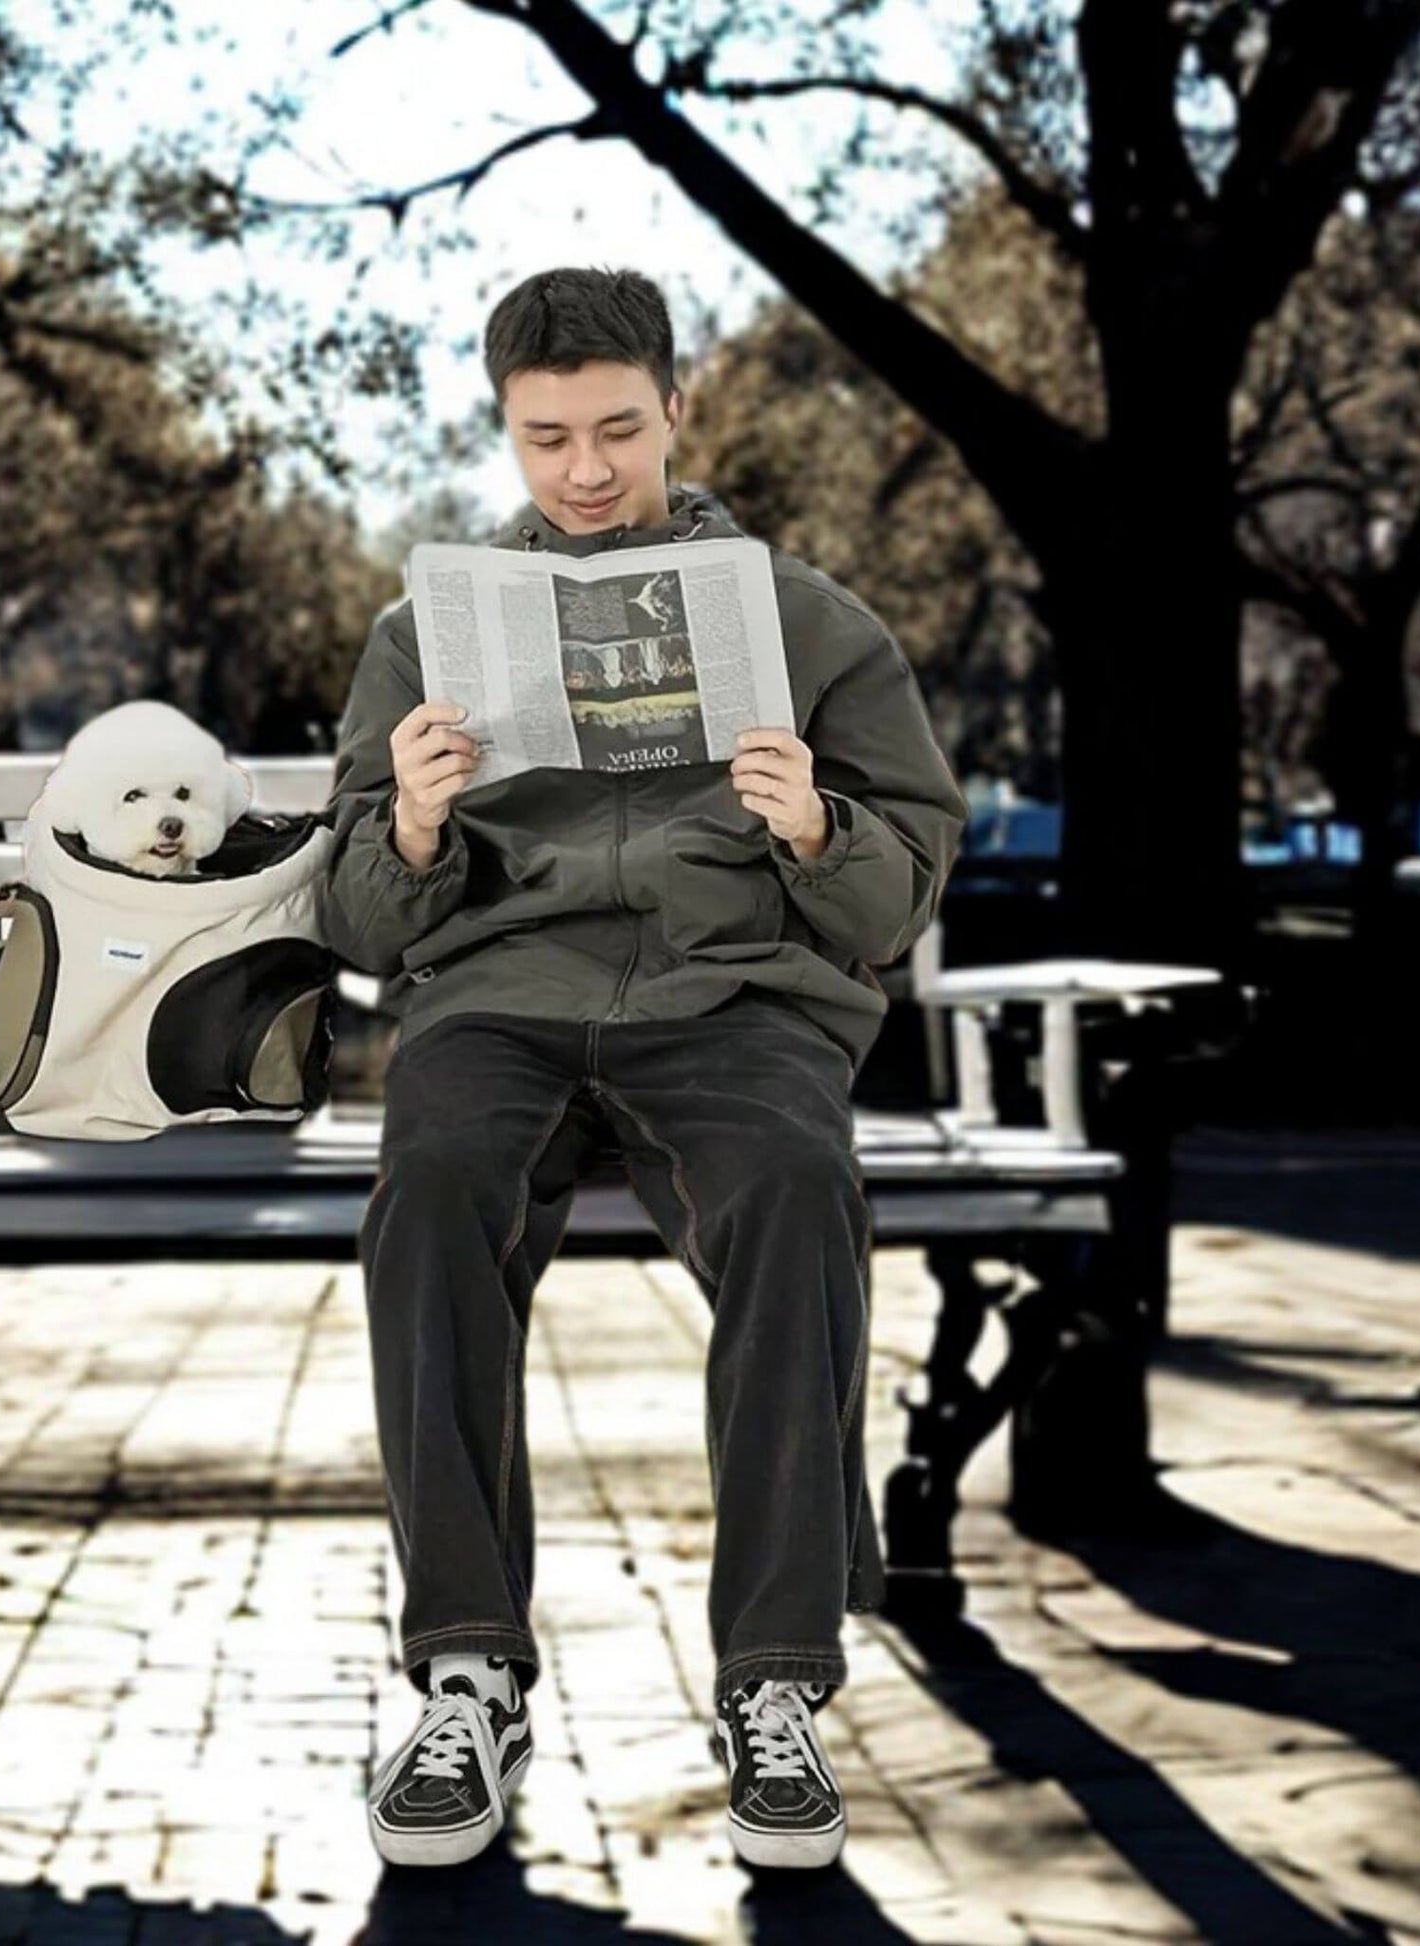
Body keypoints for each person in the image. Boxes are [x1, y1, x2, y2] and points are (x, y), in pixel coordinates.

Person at [319, 266, 970, 1871]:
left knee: (798, 1186)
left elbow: (900, 890)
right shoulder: (428, 633)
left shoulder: (808, 621)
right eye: (547, 439)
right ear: (506, 433)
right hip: (496, 1001)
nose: (587, 469)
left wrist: (814, 824)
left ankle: (775, 1683)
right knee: (433, 1191)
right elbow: (348, 910)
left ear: (678, 407)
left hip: (730, 1000)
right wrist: (407, 821)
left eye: (618, 427)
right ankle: (466, 1669)